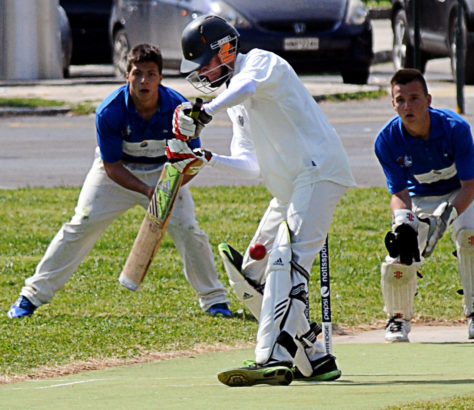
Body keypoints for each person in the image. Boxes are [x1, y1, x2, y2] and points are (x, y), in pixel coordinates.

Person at [173, 15, 356, 386]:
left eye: (204, 64)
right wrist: (207, 158)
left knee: (285, 265)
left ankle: (272, 357)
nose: (203, 75)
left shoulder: (262, 63)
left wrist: (204, 113)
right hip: (287, 189)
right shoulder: (235, 102)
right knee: (251, 274)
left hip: (319, 173)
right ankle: (314, 357)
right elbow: (251, 166)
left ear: (225, 49)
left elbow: (246, 86)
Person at [7, 44, 231, 320]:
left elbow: (192, 159)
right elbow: (111, 165)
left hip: (166, 174)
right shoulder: (109, 111)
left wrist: (167, 188)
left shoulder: (178, 108)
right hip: (118, 174)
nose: (144, 81)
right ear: (127, 76)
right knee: (82, 222)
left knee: (188, 229)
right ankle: (30, 297)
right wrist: (146, 190)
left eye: (151, 74)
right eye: (137, 74)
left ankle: (215, 301)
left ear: (161, 77)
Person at [374, 68, 474, 342]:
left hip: (460, 193)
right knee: (400, 251)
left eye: (415, 98)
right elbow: (399, 192)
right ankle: (397, 319)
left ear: (429, 100)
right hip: (419, 199)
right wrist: (402, 221)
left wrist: (449, 214)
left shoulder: (456, 129)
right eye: (400, 100)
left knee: (470, 237)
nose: (408, 106)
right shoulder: (386, 140)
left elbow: (470, 186)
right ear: (393, 104)